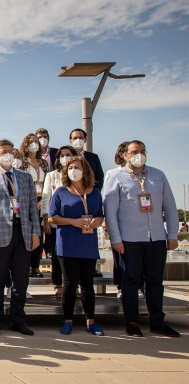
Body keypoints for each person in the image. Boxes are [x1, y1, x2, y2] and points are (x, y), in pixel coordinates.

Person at [104, 140, 180, 337]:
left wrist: (172, 234)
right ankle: (132, 322)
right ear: (125, 155)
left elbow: (170, 207)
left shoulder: (158, 175)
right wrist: (116, 239)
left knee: (155, 281)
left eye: (143, 151)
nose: (140, 155)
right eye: (135, 152)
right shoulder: (116, 177)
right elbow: (110, 211)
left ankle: (157, 322)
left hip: (156, 238)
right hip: (129, 239)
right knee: (131, 280)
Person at [0, 139, 41, 337]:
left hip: (23, 232)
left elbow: (31, 207)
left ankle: (18, 320)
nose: (7, 155)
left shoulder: (24, 177)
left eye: (10, 151)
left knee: (21, 281)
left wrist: (35, 232)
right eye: (3, 152)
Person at [48, 156, 105, 336]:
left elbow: (101, 214)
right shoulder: (61, 192)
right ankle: (68, 321)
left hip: (88, 243)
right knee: (70, 283)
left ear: (85, 169)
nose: (73, 170)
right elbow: (52, 217)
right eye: (70, 167)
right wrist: (71, 221)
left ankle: (91, 321)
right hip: (67, 243)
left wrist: (97, 220)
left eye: (77, 167)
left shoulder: (94, 192)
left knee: (87, 283)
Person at [41, 146, 78, 296]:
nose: (64, 157)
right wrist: (46, 219)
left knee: (74, 256)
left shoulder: (79, 175)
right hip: (56, 222)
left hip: (76, 223)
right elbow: (45, 197)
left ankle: (73, 285)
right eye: (61, 155)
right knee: (57, 255)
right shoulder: (52, 175)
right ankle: (58, 283)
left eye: (68, 155)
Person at [20, 133, 49, 278]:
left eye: (36, 141)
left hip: (42, 200)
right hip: (27, 201)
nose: (34, 144)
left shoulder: (43, 163)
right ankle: (27, 264)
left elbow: (48, 182)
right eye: (31, 141)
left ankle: (36, 265)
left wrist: (42, 201)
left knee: (39, 234)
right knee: (27, 233)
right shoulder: (22, 162)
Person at [104, 141, 131, 297]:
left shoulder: (146, 174)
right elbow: (108, 199)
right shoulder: (112, 173)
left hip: (137, 224)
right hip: (118, 221)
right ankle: (120, 285)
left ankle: (140, 286)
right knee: (118, 255)